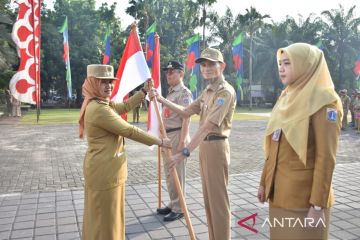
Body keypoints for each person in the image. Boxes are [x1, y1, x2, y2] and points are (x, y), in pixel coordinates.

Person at [257, 43, 343, 240]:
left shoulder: (325, 101)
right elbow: (274, 145)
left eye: (288, 63)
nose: (281, 68)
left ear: (306, 65)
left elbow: (326, 157)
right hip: (278, 196)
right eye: (280, 63)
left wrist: (317, 205)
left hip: (304, 203)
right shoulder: (287, 96)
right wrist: (264, 183)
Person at [150, 48, 236, 240]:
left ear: (221, 66)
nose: (206, 68)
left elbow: (207, 126)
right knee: (209, 201)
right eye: (203, 65)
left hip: (216, 146)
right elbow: (186, 111)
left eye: (211, 64)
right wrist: (161, 98)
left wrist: (184, 151)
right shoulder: (207, 91)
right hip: (205, 147)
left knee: (218, 202)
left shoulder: (224, 92)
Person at [79, 64, 171, 240]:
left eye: (110, 82)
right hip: (105, 172)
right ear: (92, 83)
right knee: (106, 220)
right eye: (102, 82)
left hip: (104, 170)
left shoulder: (99, 103)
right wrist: (160, 141)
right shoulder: (99, 109)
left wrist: (143, 92)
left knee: (103, 217)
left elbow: (125, 106)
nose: (109, 86)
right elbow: (129, 130)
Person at [156, 61, 193, 221]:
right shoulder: (171, 93)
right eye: (167, 72)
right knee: (170, 174)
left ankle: (179, 208)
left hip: (178, 135)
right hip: (167, 137)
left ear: (181, 74)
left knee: (177, 174)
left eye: (172, 72)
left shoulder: (184, 93)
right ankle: (173, 203)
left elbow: (186, 116)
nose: (168, 74)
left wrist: (183, 140)